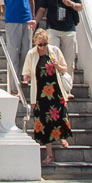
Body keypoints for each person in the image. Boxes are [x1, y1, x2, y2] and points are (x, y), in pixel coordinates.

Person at [21, 25, 72, 169]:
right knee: (44, 122)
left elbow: (65, 68)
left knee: (60, 115)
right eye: (40, 44)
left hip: (55, 90)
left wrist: (57, 66)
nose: (43, 47)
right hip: (40, 94)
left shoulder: (54, 51)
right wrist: (26, 78)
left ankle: (62, 137)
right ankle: (49, 154)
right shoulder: (32, 54)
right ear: (35, 43)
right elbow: (27, 71)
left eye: (45, 44)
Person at [39, 0, 82, 92]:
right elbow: (42, 8)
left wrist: (71, 4)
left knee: (69, 61)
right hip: (53, 28)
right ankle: (54, 86)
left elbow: (80, 6)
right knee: (53, 57)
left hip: (69, 29)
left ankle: (67, 89)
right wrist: (35, 21)